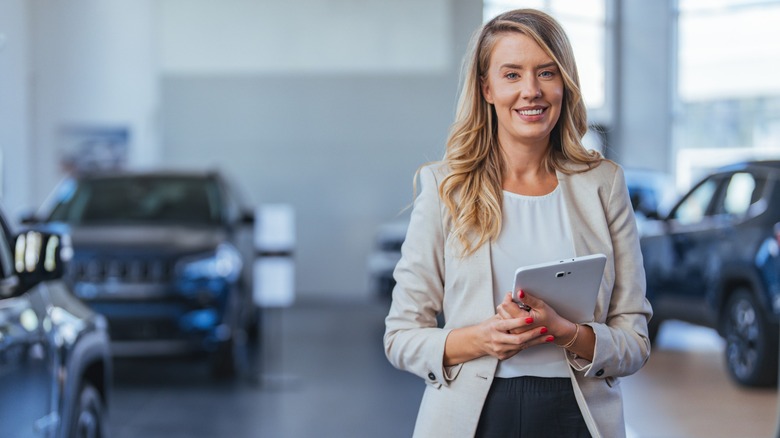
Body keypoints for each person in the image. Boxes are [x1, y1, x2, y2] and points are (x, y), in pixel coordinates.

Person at [383, 8, 652, 438]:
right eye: (512, 75)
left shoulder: (604, 184)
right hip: (472, 418)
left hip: (578, 417)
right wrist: (480, 339)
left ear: (564, 83)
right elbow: (400, 337)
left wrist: (568, 334)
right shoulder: (445, 187)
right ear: (486, 87)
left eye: (546, 73)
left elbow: (635, 342)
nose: (531, 91)